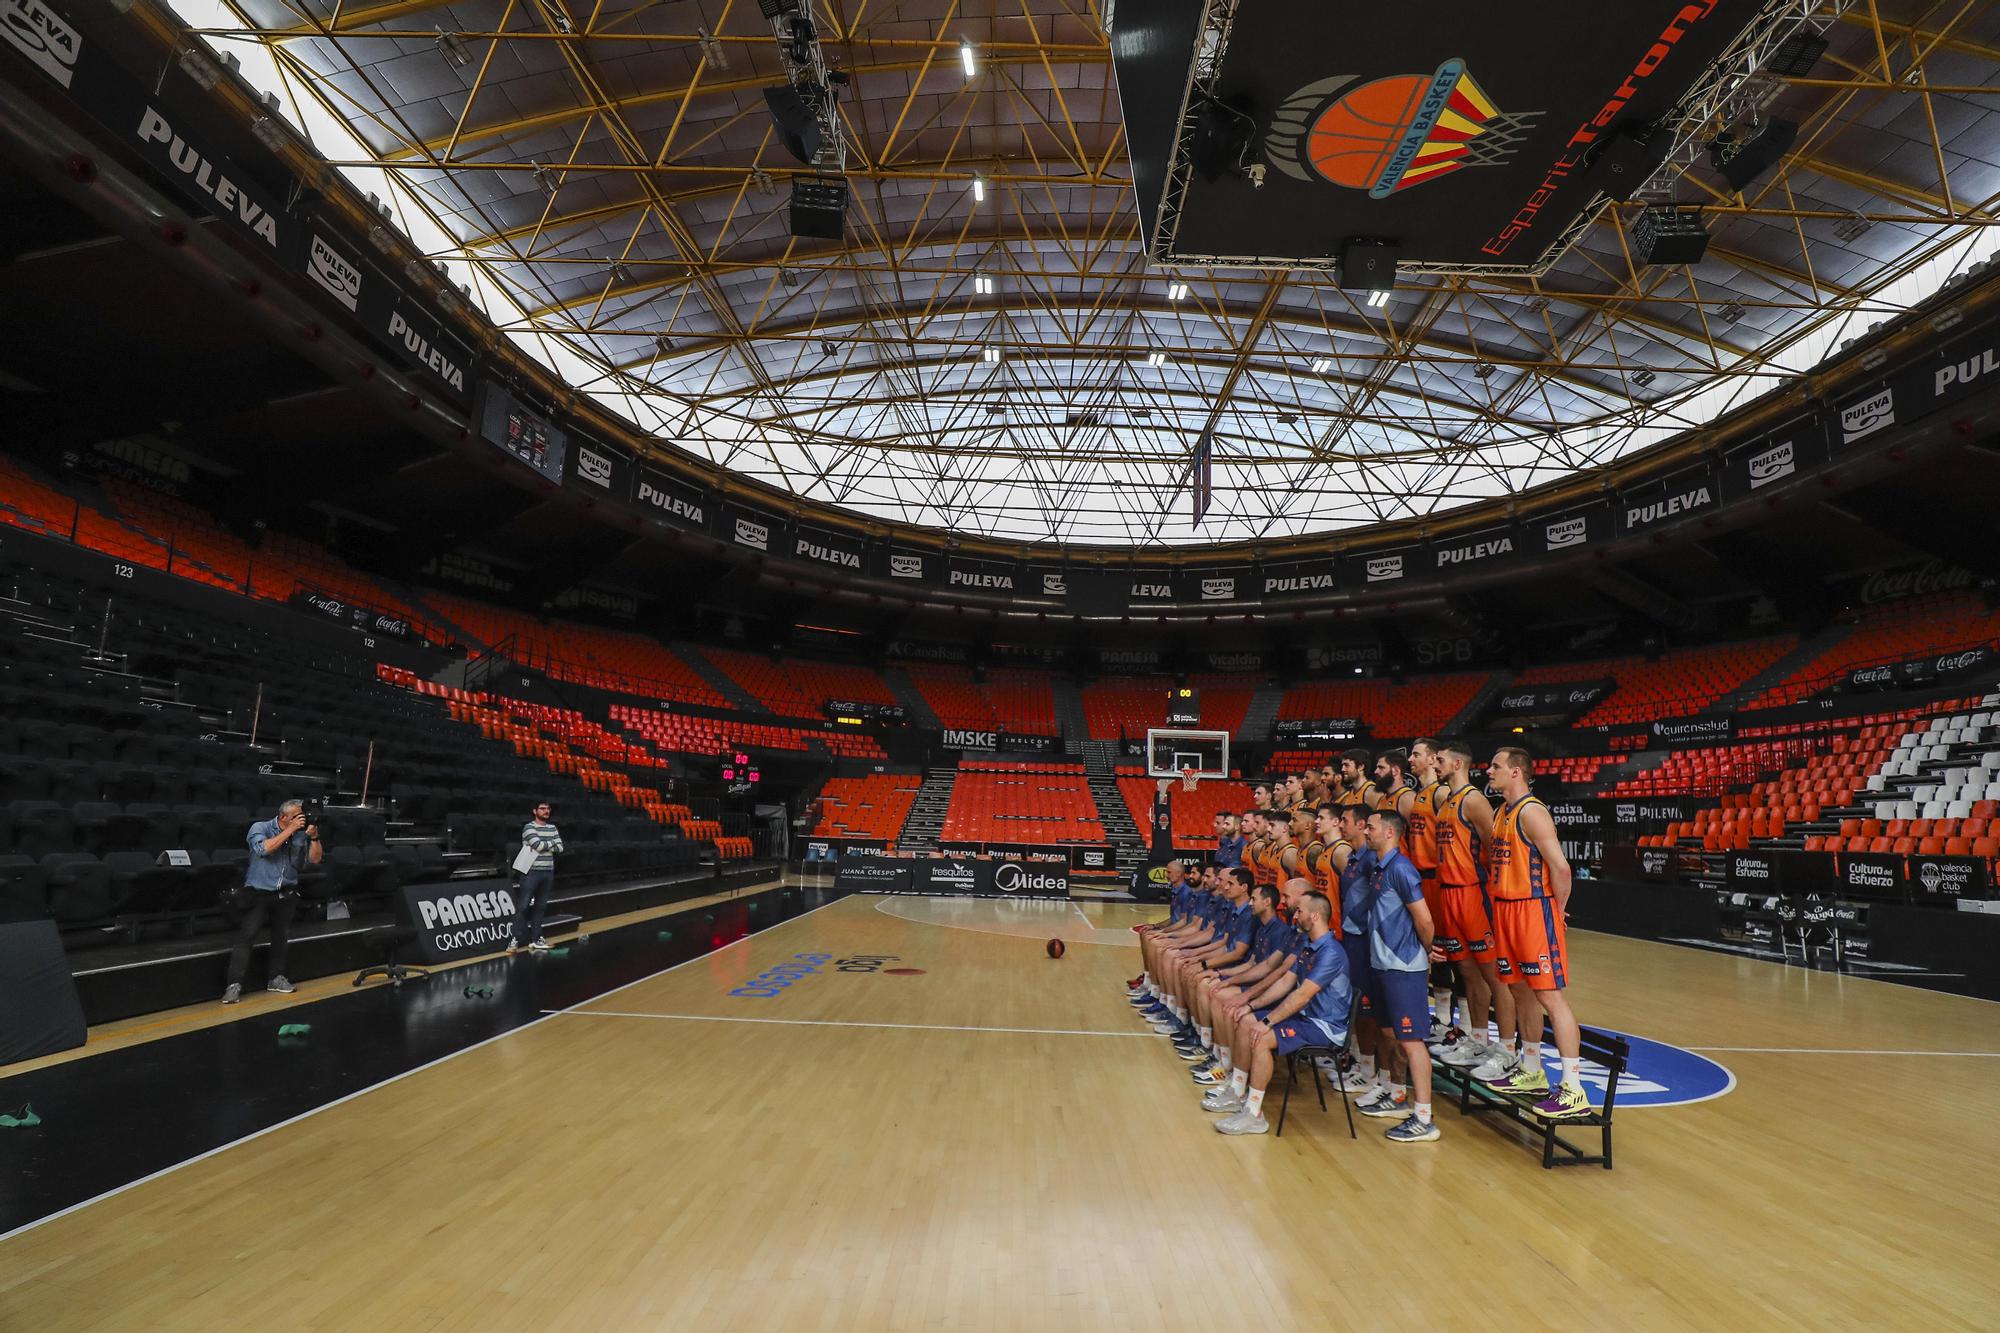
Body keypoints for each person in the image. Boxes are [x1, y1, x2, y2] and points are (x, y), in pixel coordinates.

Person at [1485, 746, 1589, 1120]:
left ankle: (1574, 1089)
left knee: (1550, 998)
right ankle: (1531, 1069)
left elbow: (1561, 869)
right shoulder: (1501, 812)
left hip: (1533, 909)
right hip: (1506, 910)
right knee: (1518, 991)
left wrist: (1556, 910)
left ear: (1516, 772)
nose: (1489, 770)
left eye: (1496, 766)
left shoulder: (1532, 812)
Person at [1212, 890, 1352, 1136]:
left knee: (1262, 1038)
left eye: (1300, 911)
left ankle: (1254, 1114)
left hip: (1325, 1027)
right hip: (1306, 1019)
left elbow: (1302, 995)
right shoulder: (1310, 946)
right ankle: (1237, 1091)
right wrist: (1251, 1007)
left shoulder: (1331, 952)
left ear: (1315, 915)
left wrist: (1267, 1021)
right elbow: (1285, 984)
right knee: (1245, 1021)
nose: (1295, 915)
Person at [1356, 809, 1441, 1143]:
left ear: (1390, 832)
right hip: (1384, 964)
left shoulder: (1402, 869)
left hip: (1404, 967)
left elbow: (1424, 920)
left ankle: (1424, 1118)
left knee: (1412, 1041)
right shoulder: (1381, 868)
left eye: (1372, 827)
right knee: (1391, 1033)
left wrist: (1427, 949)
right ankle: (1397, 1094)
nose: (1367, 832)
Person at [1435, 741, 1518, 1080]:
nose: (1435, 764)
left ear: (1457, 763)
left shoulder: (1474, 800)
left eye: (1440, 760)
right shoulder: (1446, 801)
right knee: (1468, 975)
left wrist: (1494, 893)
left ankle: (1508, 1050)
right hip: (1450, 894)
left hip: (1474, 895)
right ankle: (1478, 1041)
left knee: (1494, 976)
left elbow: (1493, 847)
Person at [222, 798, 322, 1004]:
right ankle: (234, 984)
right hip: (258, 891)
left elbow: (315, 859)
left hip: (286, 892)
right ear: (283, 816)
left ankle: (276, 978)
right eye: (296, 816)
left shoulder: (301, 832)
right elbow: (264, 849)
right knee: (247, 936)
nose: (301, 819)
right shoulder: (260, 827)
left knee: (281, 937)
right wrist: (290, 830)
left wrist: (314, 838)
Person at [506, 800, 564, 954]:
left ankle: (536, 938)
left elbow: (560, 847)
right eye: (542, 808)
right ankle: (514, 939)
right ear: (535, 811)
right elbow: (538, 844)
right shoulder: (529, 827)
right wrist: (550, 844)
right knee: (523, 906)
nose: (546, 811)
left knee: (541, 906)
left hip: (548, 872)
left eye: (548, 809)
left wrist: (544, 845)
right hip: (531, 872)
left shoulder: (553, 827)